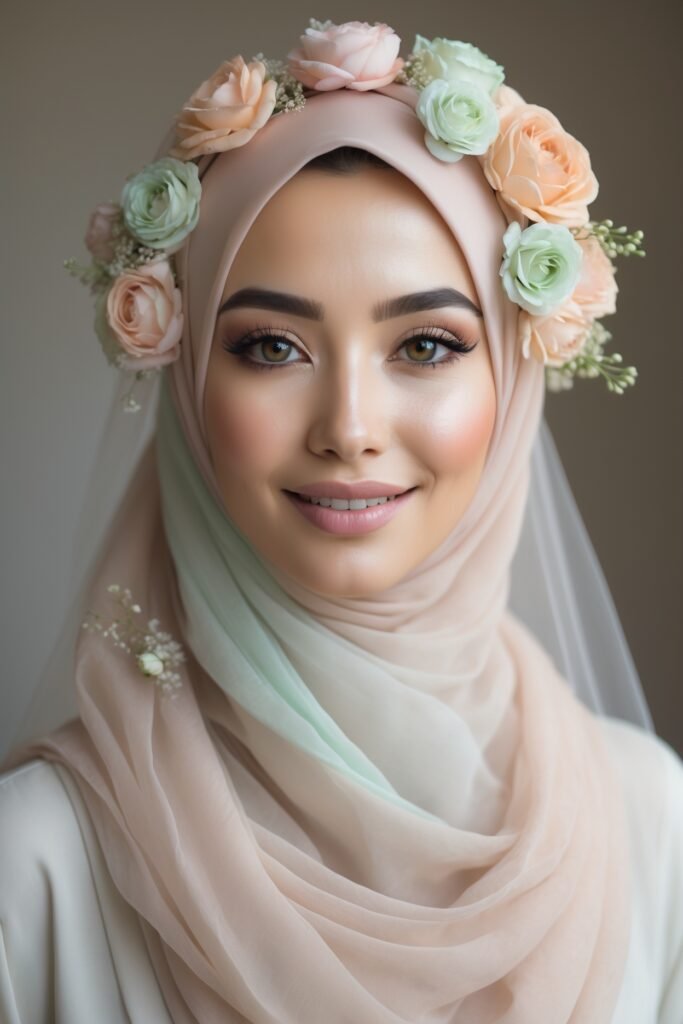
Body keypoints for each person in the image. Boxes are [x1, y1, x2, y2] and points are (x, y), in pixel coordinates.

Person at [1, 20, 681, 1024]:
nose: (349, 429)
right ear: (186, 383)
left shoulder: (649, 823)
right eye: (272, 346)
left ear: (513, 367)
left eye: (426, 345)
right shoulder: (38, 865)